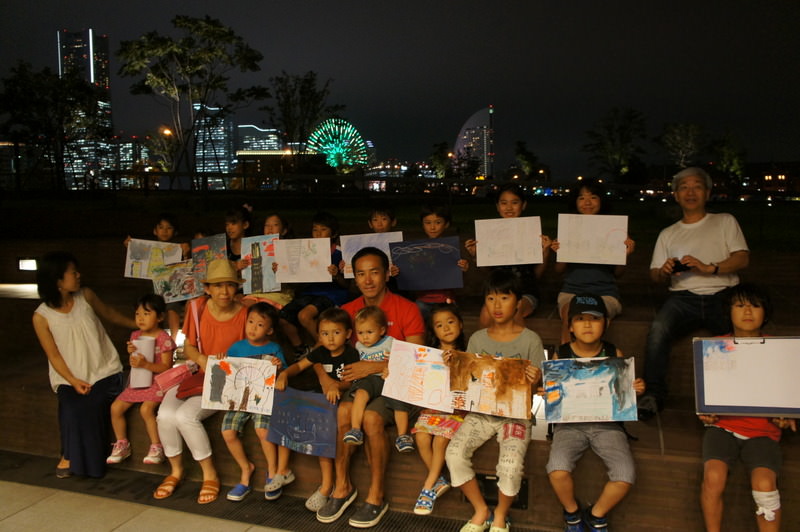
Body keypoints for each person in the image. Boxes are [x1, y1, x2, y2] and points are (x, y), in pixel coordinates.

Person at [316, 246, 425, 528]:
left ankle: (376, 495)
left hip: (395, 386)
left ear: (387, 273)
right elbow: (319, 353)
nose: (368, 280)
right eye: (361, 274)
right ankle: (343, 487)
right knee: (343, 412)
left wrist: (374, 367)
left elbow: (417, 359)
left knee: (371, 417)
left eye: (374, 272)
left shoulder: (407, 309)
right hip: (359, 385)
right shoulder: (347, 311)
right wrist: (326, 379)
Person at [639, 167, 749, 420]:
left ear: (707, 193)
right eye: (684, 187)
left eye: (697, 186)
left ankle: (742, 395)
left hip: (723, 294)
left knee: (739, 338)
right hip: (683, 297)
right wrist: (664, 271)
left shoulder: (724, 221)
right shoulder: (668, 233)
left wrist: (711, 268)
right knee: (657, 331)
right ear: (676, 195)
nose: (690, 192)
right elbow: (654, 275)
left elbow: (742, 258)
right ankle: (653, 395)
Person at [444, 268, 545, 532]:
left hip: (516, 415)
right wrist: (454, 366)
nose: (496, 306)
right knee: (454, 454)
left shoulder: (530, 340)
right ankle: (481, 510)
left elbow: (539, 388)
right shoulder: (478, 338)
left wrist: (535, 379)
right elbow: (467, 382)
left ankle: (500, 514)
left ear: (519, 303)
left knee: (510, 466)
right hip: (481, 412)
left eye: (504, 298)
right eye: (490, 299)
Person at [698, 284, 795, 532]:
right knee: (713, 477)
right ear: (728, 312)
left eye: (755, 305)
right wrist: (706, 414)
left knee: (764, 484)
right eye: (740, 305)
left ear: (766, 312)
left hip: (764, 432)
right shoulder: (714, 349)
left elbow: (787, 395)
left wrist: (787, 416)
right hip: (723, 428)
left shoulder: (779, 351)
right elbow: (706, 397)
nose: (748, 312)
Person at [545, 293, 645, 532]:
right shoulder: (562, 354)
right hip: (570, 425)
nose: (587, 324)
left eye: (595, 318)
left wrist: (634, 389)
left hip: (607, 425)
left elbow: (621, 395)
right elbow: (556, 394)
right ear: (570, 326)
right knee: (556, 469)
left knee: (624, 475)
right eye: (580, 319)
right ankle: (572, 513)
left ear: (606, 324)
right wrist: (548, 392)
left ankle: (596, 515)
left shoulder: (614, 353)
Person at [32, 251, 136, 478]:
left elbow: (110, 314)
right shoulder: (41, 316)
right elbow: (54, 355)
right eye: (73, 272)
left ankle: (70, 457)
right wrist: (73, 381)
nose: (78, 275)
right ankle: (75, 459)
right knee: (71, 406)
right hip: (68, 377)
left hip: (105, 371)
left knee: (90, 404)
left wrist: (138, 325)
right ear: (58, 280)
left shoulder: (86, 296)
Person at [153, 259, 248, 504]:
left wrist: (224, 364)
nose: (224, 291)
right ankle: (175, 471)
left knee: (186, 416)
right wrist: (203, 359)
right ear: (207, 289)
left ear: (237, 287)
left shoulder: (246, 313)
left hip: (228, 379)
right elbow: (190, 347)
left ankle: (210, 474)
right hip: (197, 373)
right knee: (164, 414)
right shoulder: (197, 308)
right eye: (217, 286)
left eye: (229, 285)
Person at [275, 307, 360, 512]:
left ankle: (326, 486)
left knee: (324, 437)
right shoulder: (320, 352)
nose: (330, 339)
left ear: (348, 334)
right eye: (324, 333)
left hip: (338, 404)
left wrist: (335, 385)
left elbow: (351, 382)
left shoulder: (351, 353)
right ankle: (312, 479)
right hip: (321, 404)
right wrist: (285, 374)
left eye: (336, 332)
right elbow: (300, 365)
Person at [219, 303, 291, 502]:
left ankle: (272, 472)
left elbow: (283, 375)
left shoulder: (274, 348)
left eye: (259, 325)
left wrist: (278, 367)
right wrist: (221, 361)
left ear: (269, 330)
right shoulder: (236, 347)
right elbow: (227, 372)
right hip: (240, 399)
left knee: (263, 431)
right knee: (227, 431)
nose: (252, 327)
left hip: (262, 399)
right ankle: (245, 470)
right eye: (250, 322)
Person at [550, 179, 635, 344]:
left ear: (601, 201)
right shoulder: (569, 229)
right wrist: (560, 252)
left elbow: (618, 274)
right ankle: (566, 361)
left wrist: (624, 255)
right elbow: (559, 270)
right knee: (572, 313)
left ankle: (593, 362)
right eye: (581, 198)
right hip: (572, 292)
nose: (587, 202)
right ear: (575, 202)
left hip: (605, 293)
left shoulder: (613, 230)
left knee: (594, 314)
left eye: (593, 197)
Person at [465, 183, 552, 328]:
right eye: (504, 203)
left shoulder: (531, 234)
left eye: (515, 202)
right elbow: (487, 273)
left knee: (514, 311)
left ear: (523, 205)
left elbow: (536, 274)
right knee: (486, 313)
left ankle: (515, 350)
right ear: (497, 207)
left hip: (525, 293)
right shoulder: (489, 234)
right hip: (498, 293)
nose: (509, 208)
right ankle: (484, 350)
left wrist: (545, 252)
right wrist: (476, 256)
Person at [411, 303, 467, 516]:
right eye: (439, 325)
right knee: (422, 438)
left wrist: (456, 364)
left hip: (456, 411)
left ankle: (428, 488)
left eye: (450, 322)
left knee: (441, 439)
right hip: (433, 408)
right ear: (433, 331)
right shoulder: (429, 355)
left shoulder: (468, 353)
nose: (446, 328)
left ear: (460, 325)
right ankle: (440, 480)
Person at [107, 294, 176, 466]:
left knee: (146, 410)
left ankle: (156, 447)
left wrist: (145, 364)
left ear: (160, 317)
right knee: (115, 408)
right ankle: (122, 443)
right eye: (137, 314)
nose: (141, 318)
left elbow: (166, 367)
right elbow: (135, 361)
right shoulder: (135, 335)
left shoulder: (164, 339)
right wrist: (132, 352)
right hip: (138, 381)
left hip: (158, 382)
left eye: (146, 314)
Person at [342, 306, 412, 453]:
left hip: (388, 378)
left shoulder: (390, 342)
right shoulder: (358, 345)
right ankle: (355, 429)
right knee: (360, 394)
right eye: (360, 333)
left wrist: (390, 367)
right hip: (369, 380)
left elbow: (403, 360)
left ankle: (403, 436)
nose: (364, 337)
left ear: (381, 330)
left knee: (399, 402)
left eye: (369, 332)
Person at [279, 211, 351, 354]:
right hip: (310, 293)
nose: (318, 234)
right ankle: (301, 348)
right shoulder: (306, 251)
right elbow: (295, 280)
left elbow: (347, 285)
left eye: (323, 230)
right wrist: (281, 269)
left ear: (334, 233)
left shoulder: (341, 253)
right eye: (315, 229)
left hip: (332, 294)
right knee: (282, 317)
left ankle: (322, 348)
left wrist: (336, 275)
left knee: (304, 316)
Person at [123, 212, 188, 339]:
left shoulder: (179, 248)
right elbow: (136, 259)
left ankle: (172, 340)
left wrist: (185, 254)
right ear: (155, 231)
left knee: (172, 307)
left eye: (169, 228)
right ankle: (150, 337)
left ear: (175, 232)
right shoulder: (147, 248)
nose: (164, 231)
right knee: (148, 305)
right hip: (151, 290)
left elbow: (185, 270)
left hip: (171, 291)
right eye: (161, 227)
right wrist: (130, 247)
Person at [401, 204, 469, 323]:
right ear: (422, 224)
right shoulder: (416, 249)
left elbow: (459, 276)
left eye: (438, 222)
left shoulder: (451, 249)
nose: (432, 227)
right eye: (428, 223)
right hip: (422, 300)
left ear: (446, 224)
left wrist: (463, 268)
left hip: (445, 299)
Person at [225, 204, 253, 268]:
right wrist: (235, 266)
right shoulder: (224, 248)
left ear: (245, 225)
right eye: (227, 224)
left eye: (233, 223)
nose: (229, 228)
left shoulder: (254, 246)